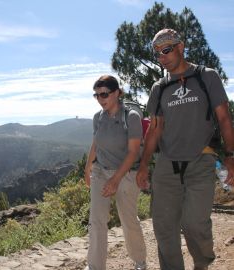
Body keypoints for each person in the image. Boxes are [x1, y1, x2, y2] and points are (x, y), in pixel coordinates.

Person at [136, 28, 234, 270]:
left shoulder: (206, 76)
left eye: (166, 50)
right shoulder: (159, 88)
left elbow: (224, 119)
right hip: (167, 165)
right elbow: (155, 129)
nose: (162, 57)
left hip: (201, 160)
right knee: (164, 227)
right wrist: (143, 166)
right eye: (157, 53)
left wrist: (231, 156)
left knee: (194, 224)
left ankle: (202, 263)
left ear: (181, 47)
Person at [84, 75, 147, 270]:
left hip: (126, 174)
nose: (100, 99)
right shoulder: (98, 118)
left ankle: (140, 261)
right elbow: (96, 143)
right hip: (101, 172)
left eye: (104, 94)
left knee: (128, 220)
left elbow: (133, 151)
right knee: (96, 220)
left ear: (117, 93)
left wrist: (115, 179)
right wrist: (88, 167)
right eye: (97, 95)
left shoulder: (131, 117)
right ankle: (95, 266)